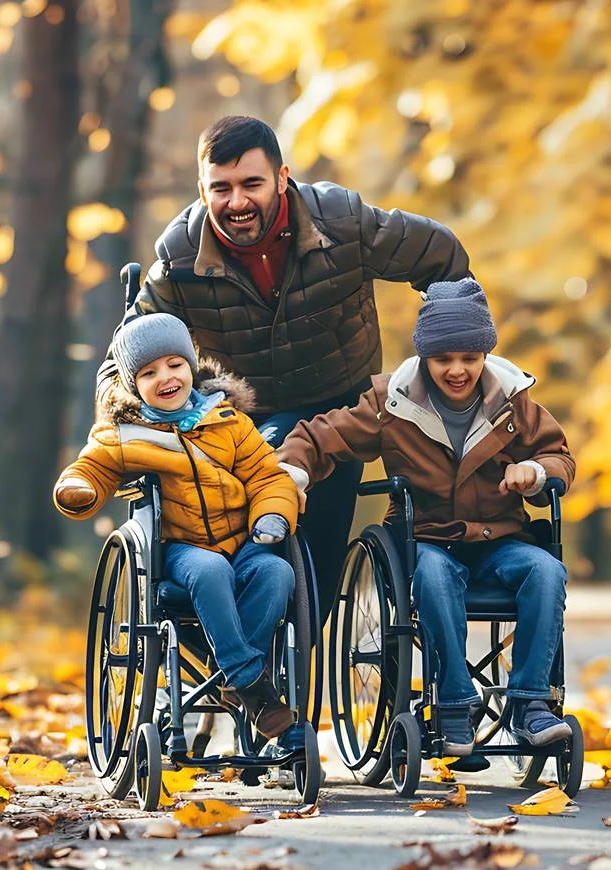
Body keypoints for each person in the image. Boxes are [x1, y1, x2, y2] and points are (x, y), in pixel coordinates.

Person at [97, 114, 471, 607]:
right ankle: (239, 652)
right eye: (221, 188)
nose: (237, 203)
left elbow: (440, 255)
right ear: (202, 188)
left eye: (252, 184)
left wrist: (447, 359)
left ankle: (269, 658)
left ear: (281, 177)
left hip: (337, 409)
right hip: (238, 422)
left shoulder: (342, 222)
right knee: (223, 542)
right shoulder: (179, 258)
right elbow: (123, 357)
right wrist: (127, 419)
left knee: (318, 572)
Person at [275, 278, 576, 756]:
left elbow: (558, 456)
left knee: (546, 571)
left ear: (485, 354)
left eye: (470, 359)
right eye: (443, 360)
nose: (457, 371)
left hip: (500, 538)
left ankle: (531, 704)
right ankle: (454, 703)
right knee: (433, 576)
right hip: (426, 539)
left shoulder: (513, 400)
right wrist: (293, 470)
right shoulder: (392, 402)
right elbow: (319, 436)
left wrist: (536, 472)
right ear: (424, 358)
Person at [56, 313, 300, 740]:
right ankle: (249, 683)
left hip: (243, 541)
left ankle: (234, 677)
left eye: (174, 364)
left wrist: (272, 514)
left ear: (192, 365)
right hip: (178, 549)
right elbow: (91, 465)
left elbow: (267, 476)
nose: (165, 377)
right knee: (210, 570)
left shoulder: (228, 422)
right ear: (133, 385)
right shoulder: (126, 434)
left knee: (277, 571)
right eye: (148, 372)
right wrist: (78, 487)